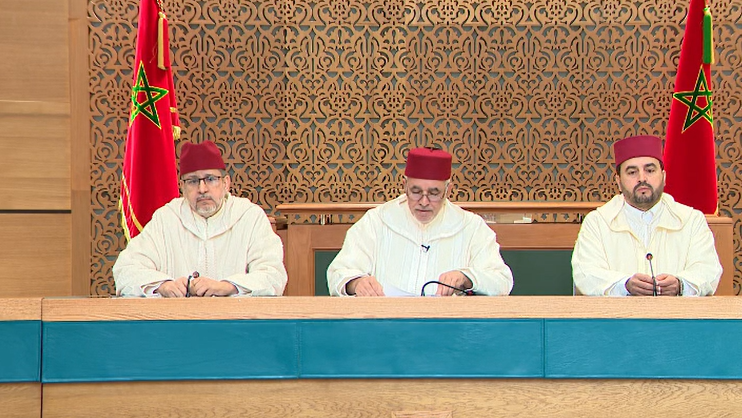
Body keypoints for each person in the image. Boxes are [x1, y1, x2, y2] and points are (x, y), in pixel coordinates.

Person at [327, 147, 513, 297]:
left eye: (434, 193)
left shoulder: (471, 227)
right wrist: (357, 283)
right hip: (386, 324)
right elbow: (339, 272)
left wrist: (466, 277)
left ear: (448, 190)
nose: (424, 202)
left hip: (449, 326)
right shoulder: (376, 221)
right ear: (404, 186)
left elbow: (501, 281)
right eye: (416, 192)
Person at [113, 140, 287, 297]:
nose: (202, 189)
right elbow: (125, 270)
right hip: (179, 320)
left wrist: (228, 286)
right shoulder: (166, 219)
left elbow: (273, 276)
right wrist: (162, 285)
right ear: (182, 187)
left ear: (226, 183)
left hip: (236, 319)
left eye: (210, 179)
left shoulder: (249, 217)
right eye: (193, 181)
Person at [572, 135, 722, 296]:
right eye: (632, 172)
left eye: (650, 170)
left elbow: (708, 269)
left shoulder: (691, 220)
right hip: (618, 312)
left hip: (676, 311)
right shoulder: (597, 222)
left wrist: (680, 284)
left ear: (664, 177)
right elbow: (586, 273)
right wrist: (625, 285)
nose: (642, 178)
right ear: (618, 181)